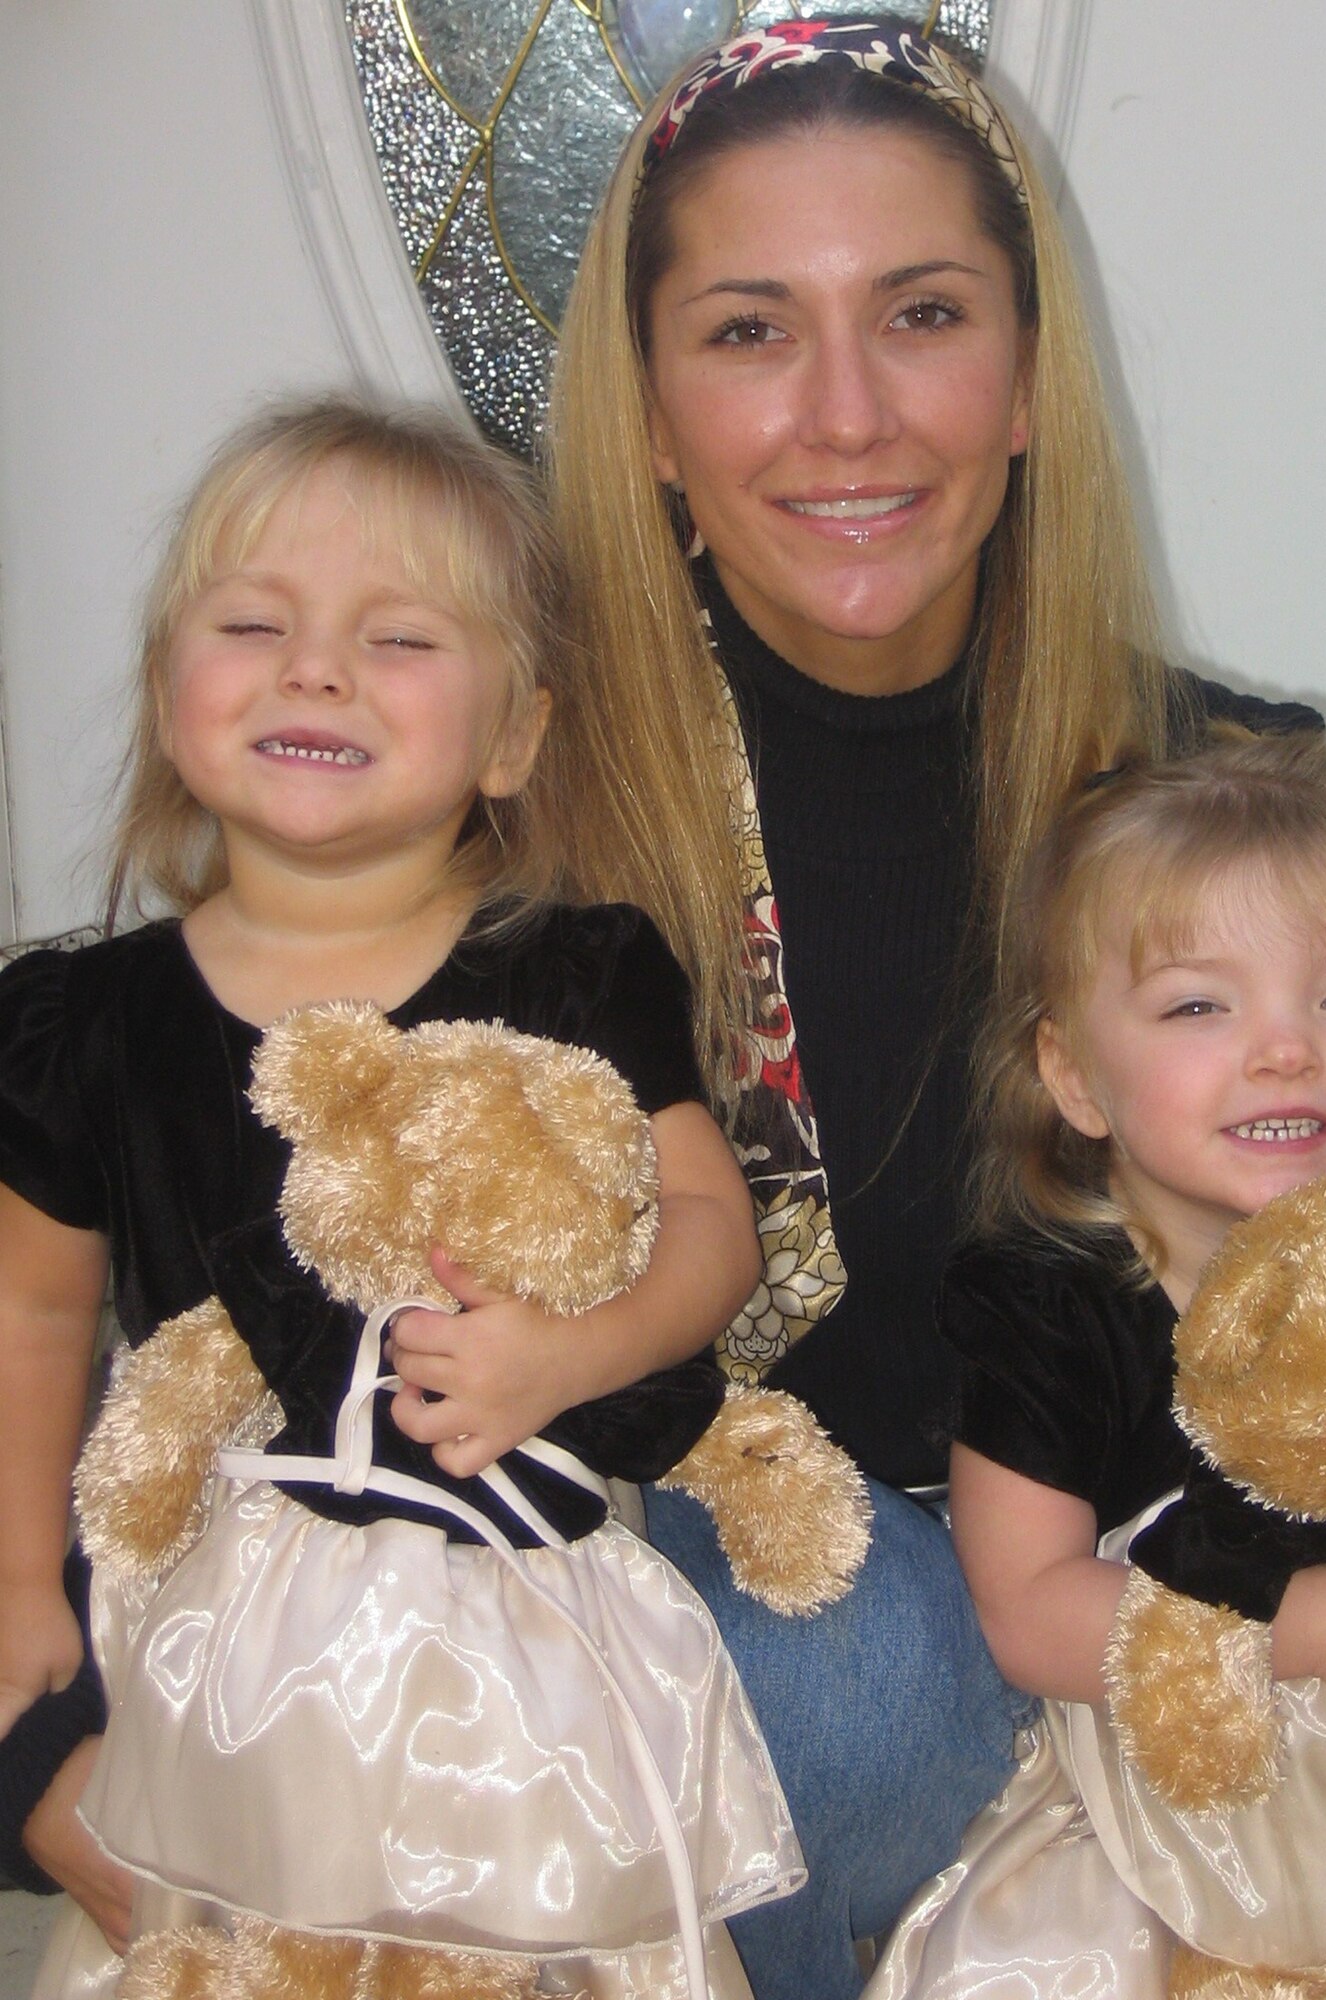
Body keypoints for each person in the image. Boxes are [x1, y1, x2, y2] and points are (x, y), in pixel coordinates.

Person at [547, 21, 1320, 2000]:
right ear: (642, 407)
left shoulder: (1225, 797)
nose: (844, 416)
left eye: (919, 313)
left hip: (1125, 1599)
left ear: (1029, 374)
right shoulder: (499, 780)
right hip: (723, 1622)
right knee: (859, 1671)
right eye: (744, 331)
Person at [0, 398, 798, 2000]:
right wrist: (22, 1586)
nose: (314, 669)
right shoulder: (81, 1023)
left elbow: (713, 1227)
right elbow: (31, 1313)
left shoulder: (578, 971)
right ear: (172, 696)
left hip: (515, 1628)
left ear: (512, 738)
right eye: (252, 625)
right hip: (214, 1629)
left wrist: (580, 1353)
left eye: (397, 639)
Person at [862, 729, 1326, 1996]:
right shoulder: (1051, 1305)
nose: (1287, 1048)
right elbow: (1028, 1608)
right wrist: (1301, 1621)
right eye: (1199, 1004)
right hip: (1164, 1832)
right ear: (1075, 1076)